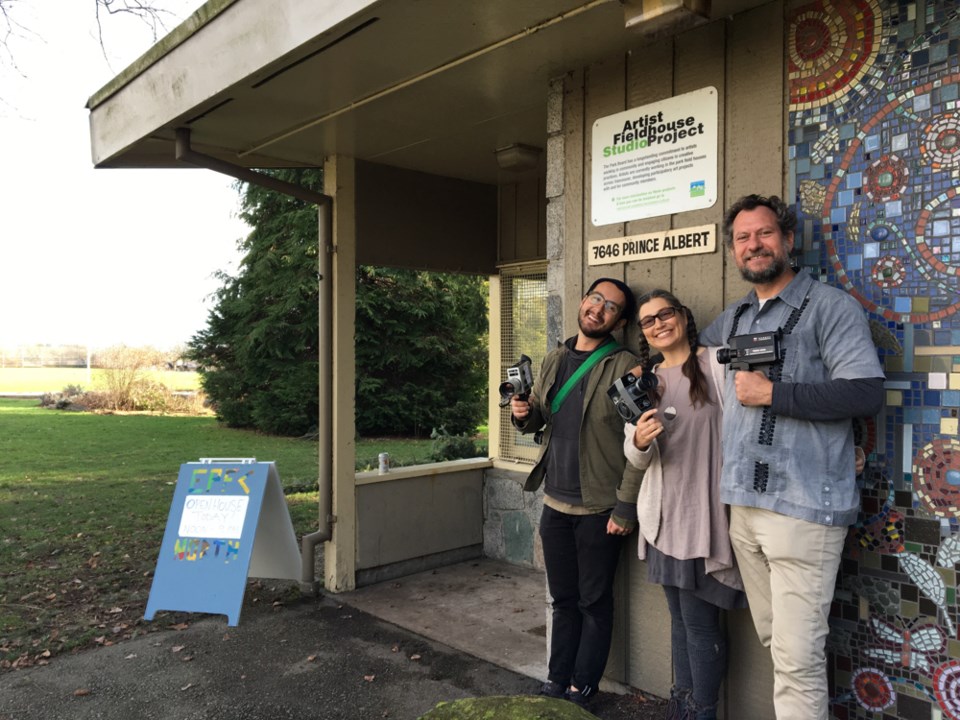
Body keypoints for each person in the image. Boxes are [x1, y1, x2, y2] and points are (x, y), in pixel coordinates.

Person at [699, 194, 884, 719]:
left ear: (787, 240)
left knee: (798, 659)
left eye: (763, 234)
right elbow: (690, 372)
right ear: (733, 250)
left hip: (803, 507)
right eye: (742, 237)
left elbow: (865, 392)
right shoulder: (731, 319)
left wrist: (774, 394)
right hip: (742, 506)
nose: (753, 245)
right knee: (777, 641)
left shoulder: (829, 307)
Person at [510, 277, 643, 709]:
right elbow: (540, 420)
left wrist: (625, 507)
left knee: (593, 601)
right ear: (584, 301)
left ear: (619, 321)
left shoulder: (627, 366)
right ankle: (556, 679)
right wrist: (521, 414)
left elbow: (642, 442)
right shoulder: (553, 359)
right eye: (596, 299)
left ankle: (584, 687)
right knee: (562, 599)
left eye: (612, 307)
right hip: (555, 501)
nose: (599, 309)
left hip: (600, 507)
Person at [622, 289, 745, 720]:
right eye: (648, 321)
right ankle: (682, 700)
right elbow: (636, 455)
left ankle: (702, 710)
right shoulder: (646, 381)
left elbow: (746, 428)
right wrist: (638, 440)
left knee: (698, 622)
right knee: (678, 619)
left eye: (665, 314)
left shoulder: (716, 363)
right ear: (644, 333)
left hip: (707, 517)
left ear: (683, 316)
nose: (658, 324)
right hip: (663, 517)